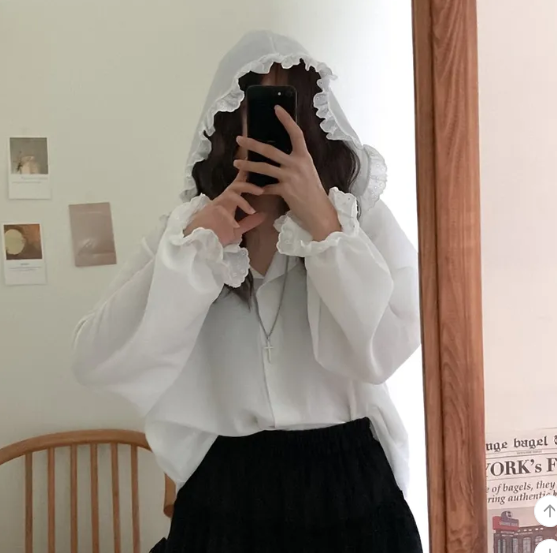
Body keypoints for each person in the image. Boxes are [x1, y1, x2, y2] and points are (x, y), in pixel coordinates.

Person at [72, 30, 423, 552]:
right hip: (225, 488)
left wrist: (326, 228)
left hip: (348, 482)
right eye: (255, 106)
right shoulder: (188, 232)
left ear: (313, 121)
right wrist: (194, 253)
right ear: (225, 122)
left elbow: (389, 345)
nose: (272, 127)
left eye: (288, 107)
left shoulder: (355, 218)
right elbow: (94, 360)